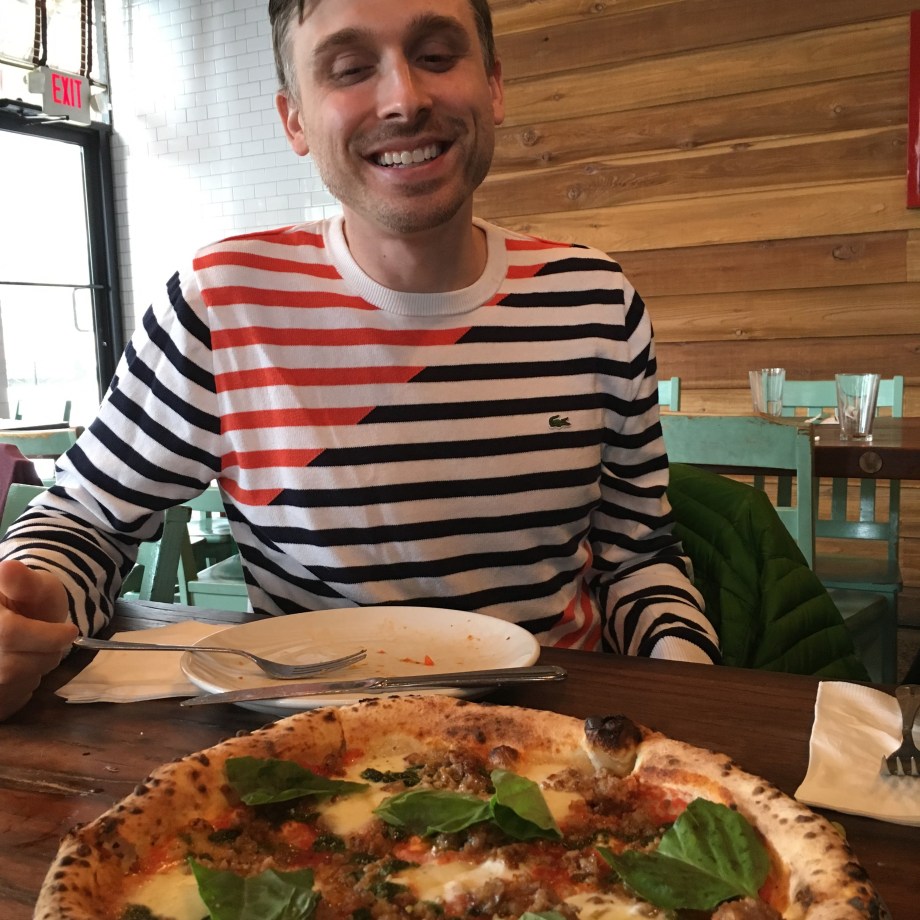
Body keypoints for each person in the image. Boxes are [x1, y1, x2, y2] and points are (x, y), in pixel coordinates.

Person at [0, 0, 720, 720]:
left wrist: (695, 686)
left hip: (558, 732)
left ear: (494, 86)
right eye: (349, 69)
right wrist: (26, 604)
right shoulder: (221, 303)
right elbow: (86, 517)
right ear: (295, 120)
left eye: (436, 56)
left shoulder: (595, 299)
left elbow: (637, 556)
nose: (404, 99)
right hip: (315, 741)